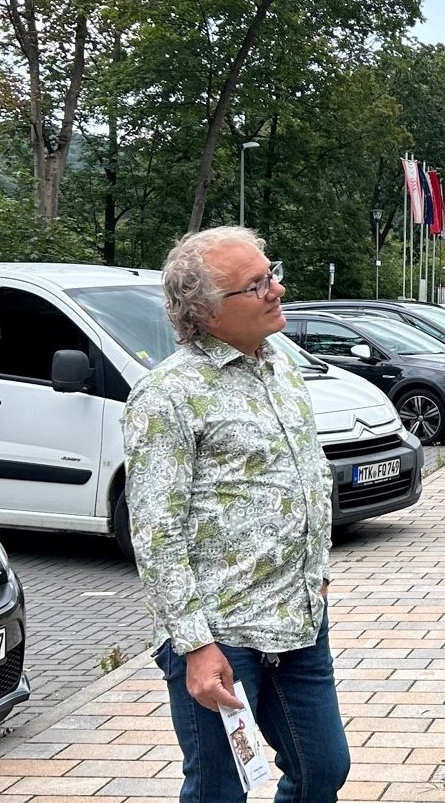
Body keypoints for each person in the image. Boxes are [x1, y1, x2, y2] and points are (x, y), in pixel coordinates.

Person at [123, 226, 348, 803]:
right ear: (206, 312)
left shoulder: (280, 367)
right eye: (256, 284)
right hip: (221, 635)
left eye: (270, 272)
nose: (277, 288)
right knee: (221, 789)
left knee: (322, 770)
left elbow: (307, 478)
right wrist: (195, 646)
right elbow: (156, 533)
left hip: (299, 619)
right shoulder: (167, 395)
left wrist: (316, 571)